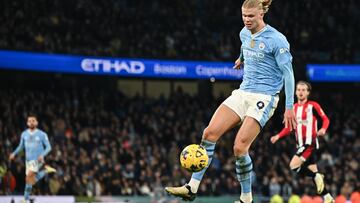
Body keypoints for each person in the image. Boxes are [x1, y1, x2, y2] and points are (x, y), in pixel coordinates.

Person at [165, 0, 296, 202]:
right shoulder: (244, 32)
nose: (246, 20)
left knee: (239, 147)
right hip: (243, 93)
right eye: (244, 15)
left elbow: (288, 74)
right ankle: (192, 187)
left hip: (264, 97)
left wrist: (289, 108)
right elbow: (246, 46)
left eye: (251, 16)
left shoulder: (277, 40)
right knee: (208, 134)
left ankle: (246, 198)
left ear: (261, 14)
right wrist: (241, 58)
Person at [270, 81, 334, 203]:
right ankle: (327, 197)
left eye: (303, 90)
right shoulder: (293, 108)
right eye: (298, 89)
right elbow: (289, 127)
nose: (300, 92)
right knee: (315, 174)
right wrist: (278, 136)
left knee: (293, 166)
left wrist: (323, 129)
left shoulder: (313, 106)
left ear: (308, 93)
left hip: (310, 143)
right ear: (295, 92)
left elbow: (325, 119)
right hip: (300, 144)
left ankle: (316, 176)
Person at [9, 115, 56, 203]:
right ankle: (45, 171)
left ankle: (25, 200)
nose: (31, 122)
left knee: (29, 177)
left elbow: (49, 147)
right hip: (28, 161)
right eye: (29, 121)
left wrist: (42, 155)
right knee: (30, 181)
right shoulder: (24, 134)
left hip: (38, 160)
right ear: (27, 123)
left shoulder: (42, 134)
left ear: (37, 123)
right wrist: (14, 153)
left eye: (33, 121)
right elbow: (21, 146)